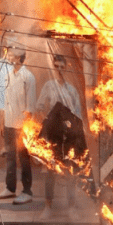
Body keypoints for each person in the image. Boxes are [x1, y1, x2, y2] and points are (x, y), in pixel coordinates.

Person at [35, 53, 84, 216]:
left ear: (66, 68)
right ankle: (47, 206)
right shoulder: (49, 86)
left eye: (62, 67)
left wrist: (73, 130)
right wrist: (49, 122)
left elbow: (78, 113)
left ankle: (71, 207)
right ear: (53, 68)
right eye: (57, 66)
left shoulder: (72, 90)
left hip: (69, 135)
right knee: (51, 170)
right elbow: (40, 106)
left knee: (70, 170)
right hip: (53, 135)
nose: (60, 70)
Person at [0, 43, 36, 205]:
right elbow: (7, 102)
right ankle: (10, 188)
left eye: (12, 54)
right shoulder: (8, 75)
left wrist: (25, 129)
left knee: (24, 159)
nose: (8, 56)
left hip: (22, 127)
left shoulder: (28, 77)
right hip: (8, 124)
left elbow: (30, 106)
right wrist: (3, 122)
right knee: (10, 158)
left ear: (20, 57)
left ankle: (27, 191)